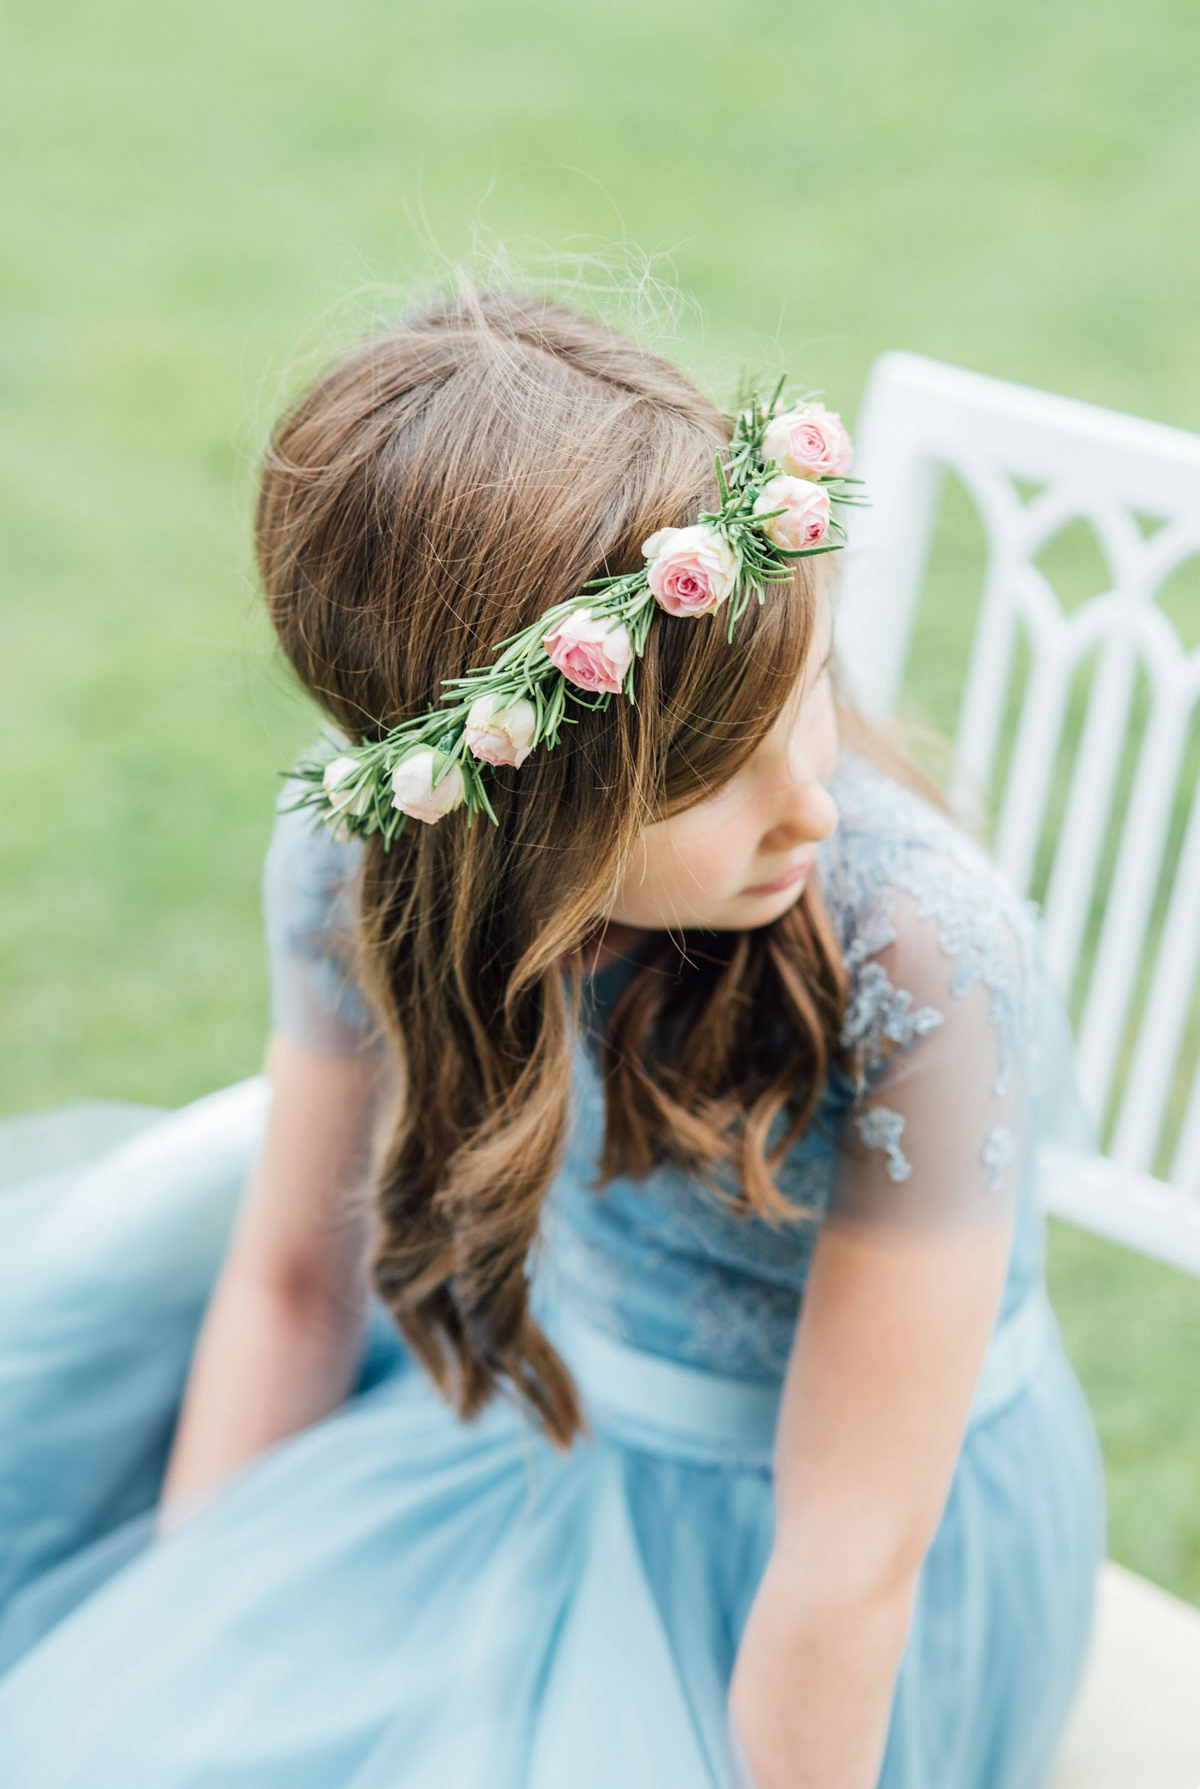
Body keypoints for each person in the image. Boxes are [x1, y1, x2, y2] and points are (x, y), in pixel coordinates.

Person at [0, 287, 1107, 1788]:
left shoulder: (922, 955)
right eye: (720, 768)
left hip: (845, 1569)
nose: (816, 798)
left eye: (810, 694)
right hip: (546, 1424)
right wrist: (195, 1623)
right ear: (526, 806)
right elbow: (288, 1285)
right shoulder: (363, 852)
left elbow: (851, 1560)